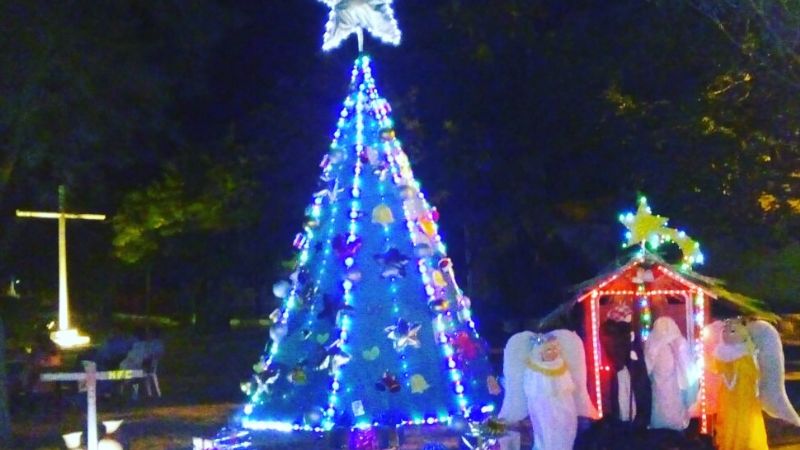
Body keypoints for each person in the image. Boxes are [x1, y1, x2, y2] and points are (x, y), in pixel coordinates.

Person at [644, 316, 694, 430]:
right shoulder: (678, 342)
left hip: (657, 389)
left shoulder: (653, 343)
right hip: (675, 389)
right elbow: (688, 367)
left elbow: (647, 368)